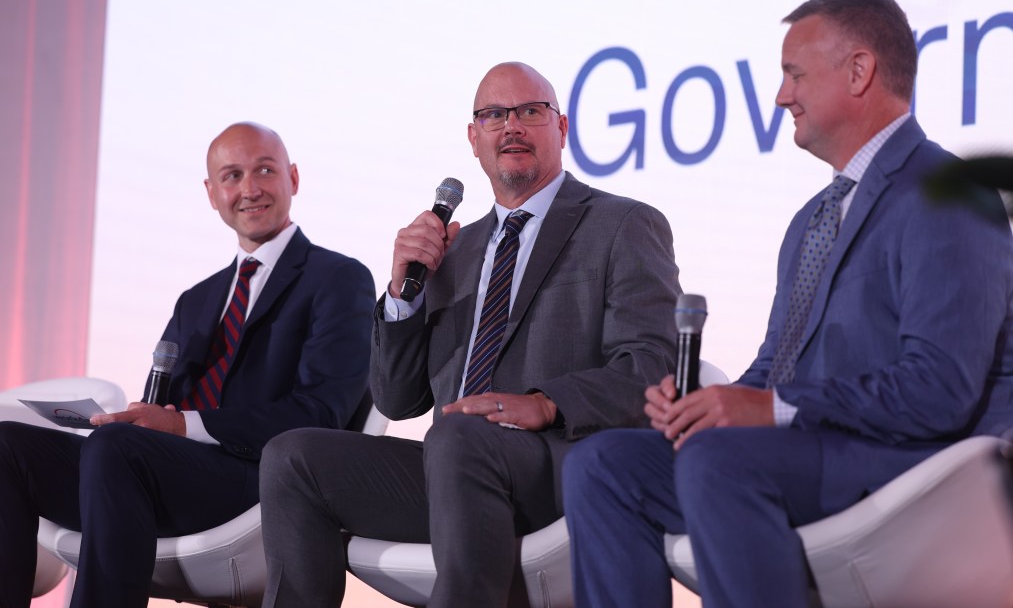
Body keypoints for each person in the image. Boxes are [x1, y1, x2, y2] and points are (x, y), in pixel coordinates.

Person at [563, 0, 1013, 607]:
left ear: (859, 71)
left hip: (914, 459)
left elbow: (940, 390)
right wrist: (705, 404)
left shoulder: (946, 194)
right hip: (811, 450)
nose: (779, 96)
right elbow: (775, 367)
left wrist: (766, 410)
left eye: (794, 74)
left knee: (718, 462)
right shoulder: (810, 220)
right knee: (602, 464)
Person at [258, 62, 682, 607]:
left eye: (531, 111)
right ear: (473, 138)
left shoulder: (622, 223)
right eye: (493, 115)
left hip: (556, 463)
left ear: (563, 128)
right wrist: (403, 294)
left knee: (459, 439)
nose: (512, 126)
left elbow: (651, 366)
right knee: (293, 457)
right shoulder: (452, 251)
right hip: (450, 464)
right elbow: (397, 398)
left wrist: (545, 403)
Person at [0, 122, 376, 608]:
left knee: (117, 449)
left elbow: (322, 413)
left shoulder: (338, 278)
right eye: (232, 175)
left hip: (254, 477)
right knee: (9, 444)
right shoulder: (196, 300)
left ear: (294, 179)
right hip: (156, 473)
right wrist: (141, 418)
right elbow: (156, 416)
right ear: (212, 192)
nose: (250, 189)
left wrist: (180, 425)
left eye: (265, 170)